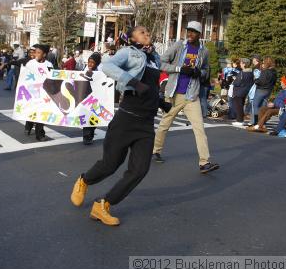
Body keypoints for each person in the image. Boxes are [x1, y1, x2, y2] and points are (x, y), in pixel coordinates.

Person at [70, 26, 170, 226]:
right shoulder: (128, 53)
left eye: (148, 32)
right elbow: (107, 66)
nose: (147, 33)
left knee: (140, 170)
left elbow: (149, 87)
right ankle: (84, 180)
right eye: (142, 32)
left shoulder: (154, 58)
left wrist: (160, 102)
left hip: (146, 124)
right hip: (126, 119)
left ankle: (103, 205)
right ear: (132, 38)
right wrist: (131, 81)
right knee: (110, 165)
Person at [151, 21, 219, 174]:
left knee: (200, 128)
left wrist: (199, 73)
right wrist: (179, 69)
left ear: (199, 34)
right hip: (174, 94)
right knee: (164, 124)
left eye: (193, 32)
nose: (190, 34)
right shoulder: (178, 46)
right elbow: (161, 63)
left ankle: (204, 162)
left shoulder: (204, 52)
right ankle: (156, 150)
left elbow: (206, 70)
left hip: (191, 96)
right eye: (188, 31)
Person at [24, 44, 53, 141]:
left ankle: (40, 134)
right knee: (32, 111)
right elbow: (24, 78)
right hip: (32, 92)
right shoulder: (30, 64)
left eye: (38, 52)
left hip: (44, 93)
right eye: (35, 52)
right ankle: (28, 126)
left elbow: (52, 78)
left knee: (41, 113)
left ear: (44, 55)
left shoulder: (49, 65)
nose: (36, 54)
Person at [82, 52, 102, 145]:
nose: (90, 64)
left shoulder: (101, 72)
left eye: (92, 62)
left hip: (97, 98)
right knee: (87, 116)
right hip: (87, 98)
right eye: (89, 62)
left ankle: (91, 134)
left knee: (94, 117)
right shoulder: (84, 70)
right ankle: (86, 136)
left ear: (97, 63)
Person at [231, 58, 254, 126]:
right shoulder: (250, 72)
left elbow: (237, 83)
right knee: (241, 105)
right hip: (245, 90)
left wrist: (234, 80)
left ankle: (239, 120)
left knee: (238, 106)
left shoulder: (243, 72)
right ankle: (241, 120)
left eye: (241, 63)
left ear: (244, 64)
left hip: (239, 91)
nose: (240, 64)